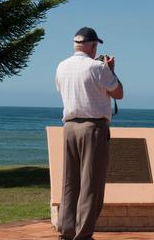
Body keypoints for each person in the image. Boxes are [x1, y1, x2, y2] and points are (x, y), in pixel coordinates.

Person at [55, 27, 124, 240]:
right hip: (93, 128)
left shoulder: (61, 66)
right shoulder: (97, 68)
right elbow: (119, 93)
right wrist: (110, 70)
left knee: (70, 182)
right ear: (93, 45)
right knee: (91, 184)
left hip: (69, 128)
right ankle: (83, 235)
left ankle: (66, 232)